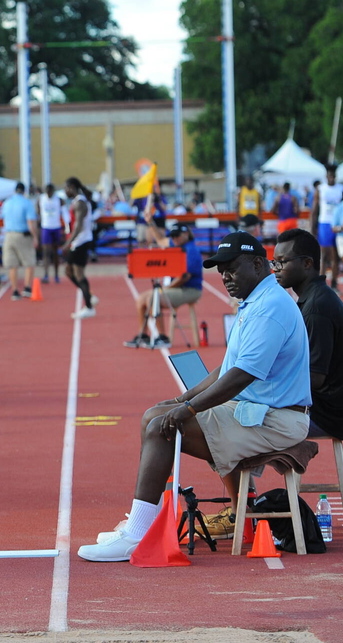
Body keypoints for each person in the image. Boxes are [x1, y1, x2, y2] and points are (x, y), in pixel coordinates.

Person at [77, 231, 311, 562]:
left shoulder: (270, 308)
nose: (226, 277)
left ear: (259, 264)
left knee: (163, 427)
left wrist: (187, 409)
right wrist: (182, 399)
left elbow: (240, 378)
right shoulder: (255, 301)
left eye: (233, 268)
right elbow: (227, 367)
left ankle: (137, 536)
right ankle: (143, 523)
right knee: (156, 415)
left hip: (277, 418)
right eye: (221, 271)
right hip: (257, 410)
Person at [273, 229, 343, 439]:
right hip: (327, 406)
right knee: (248, 407)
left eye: (282, 262)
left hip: (330, 415)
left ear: (307, 263)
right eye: (274, 263)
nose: (276, 269)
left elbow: (314, 378)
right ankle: (248, 469)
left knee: (249, 418)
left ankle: (250, 470)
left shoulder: (317, 309)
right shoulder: (313, 298)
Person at [125, 223, 203, 350]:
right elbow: (160, 240)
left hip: (190, 289)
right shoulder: (177, 245)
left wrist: (166, 289)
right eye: (172, 237)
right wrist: (150, 222)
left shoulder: (191, 250)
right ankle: (143, 335)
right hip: (177, 288)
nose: (174, 239)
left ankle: (162, 337)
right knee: (141, 299)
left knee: (152, 298)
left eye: (177, 236)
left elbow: (184, 277)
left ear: (186, 234)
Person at [60, 177, 98, 319]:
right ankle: (89, 296)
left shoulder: (80, 203)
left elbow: (78, 226)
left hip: (81, 241)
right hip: (78, 241)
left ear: (71, 187)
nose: (64, 191)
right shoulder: (77, 201)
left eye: (66, 188)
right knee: (69, 271)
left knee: (78, 274)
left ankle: (89, 307)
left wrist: (67, 243)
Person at [0, 182, 39, 300]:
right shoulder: (27, 203)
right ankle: (27, 288)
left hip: (9, 235)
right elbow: (30, 222)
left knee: (12, 265)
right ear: (24, 191)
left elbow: (3, 218)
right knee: (29, 262)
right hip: (23, 235)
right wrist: (35, 236)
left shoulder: (7, 203)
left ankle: (15, 291)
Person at [310, 164, 343, 290]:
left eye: (333, 176)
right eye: (330, 176)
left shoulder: (341, 188)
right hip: (324, 223)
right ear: (326, 176)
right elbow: (315, 208)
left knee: (336, 255)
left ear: (336, 176)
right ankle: (321, 283)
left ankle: (334, 283)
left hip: (337, 223)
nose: (331, 178)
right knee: (324, 255)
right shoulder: (321, 189)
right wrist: (313, 226)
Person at [38, 183, 65, 285]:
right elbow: (38, 212)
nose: (49, 195)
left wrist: (66, 226)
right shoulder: (41, 199)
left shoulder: (59, 199)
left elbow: (64, 212)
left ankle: (56, 274)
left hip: (56, 227)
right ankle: (46, 274)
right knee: (46, 252)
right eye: (47, 192)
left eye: (50, 192)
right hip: (46, 228)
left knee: (55, 252)